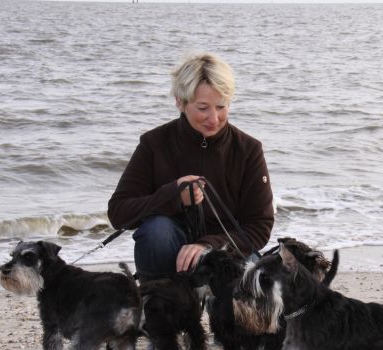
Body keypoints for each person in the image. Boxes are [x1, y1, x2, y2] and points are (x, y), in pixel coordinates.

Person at [108, 52, 274, 279]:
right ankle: (158, 299)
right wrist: (174, 197)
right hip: (170, 247)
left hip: (226, 249)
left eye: (221, 106)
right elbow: (119, 213)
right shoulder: (154, 143)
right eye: (203, 108)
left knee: (256, 281)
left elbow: (259, 226)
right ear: (180, 101)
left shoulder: (248, 149)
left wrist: (208, 245)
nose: (214, 119)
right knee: (156, 232)